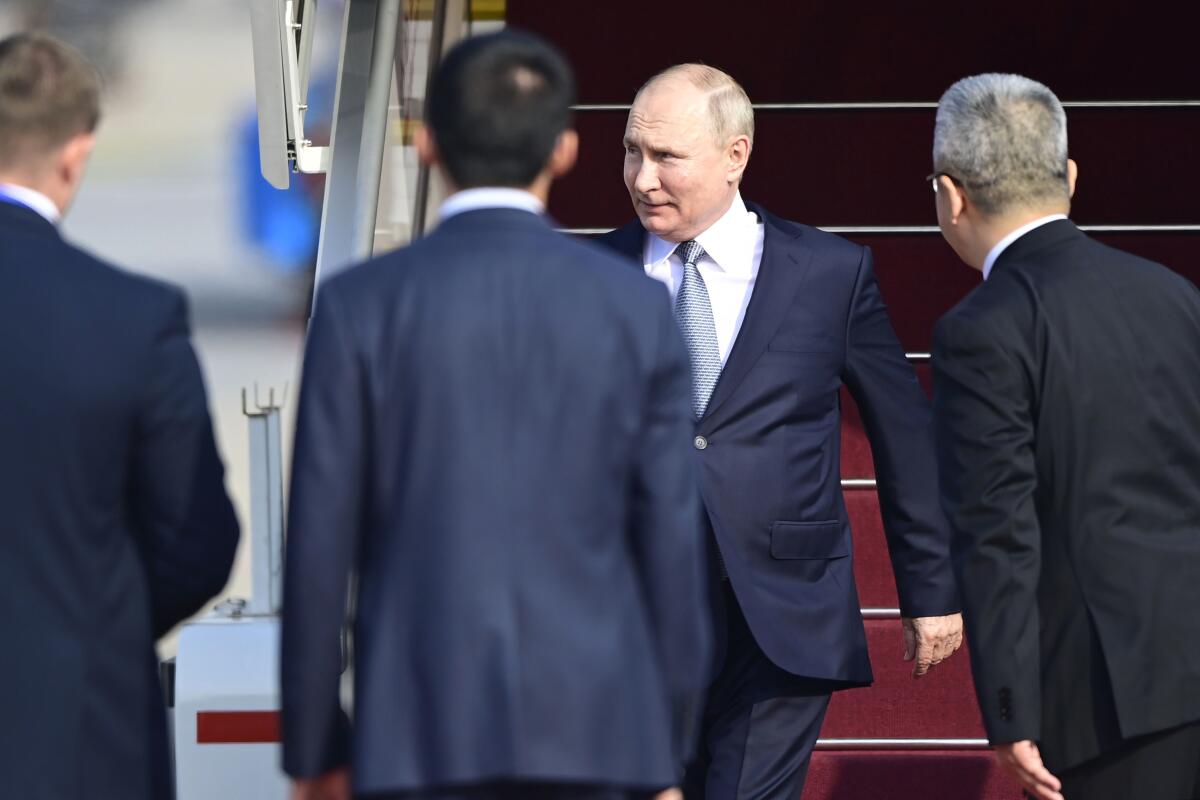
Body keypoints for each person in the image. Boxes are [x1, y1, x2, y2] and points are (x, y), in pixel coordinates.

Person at [280, 31, 711, 800]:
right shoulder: (634, 309)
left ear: (427, 144)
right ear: (567, 150)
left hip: (415, 734)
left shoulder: (360, 306)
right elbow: (669, 539)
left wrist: (315, 749)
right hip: (596, 735)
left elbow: (319, 545)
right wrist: (663, 745)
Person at [598, 64, 963, 799]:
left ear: (736, 156)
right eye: (633, 151)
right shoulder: (586, 272)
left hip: (781, 608)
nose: (643, 178)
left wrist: (931, 590)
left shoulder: (829, 272)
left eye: (667, 157)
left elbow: (902, 435)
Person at [930, 72, 1200, 800]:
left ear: (950, 196)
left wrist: (1011, 709)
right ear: (1070, 177)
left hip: (1104, 700)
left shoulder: (981, 330)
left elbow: (997, 532)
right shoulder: (1175, 295)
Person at [0, 32, 240, 799]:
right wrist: (98, 624)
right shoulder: (132, 318)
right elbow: (198, 540)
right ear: (77, 152)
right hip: (79, 731)